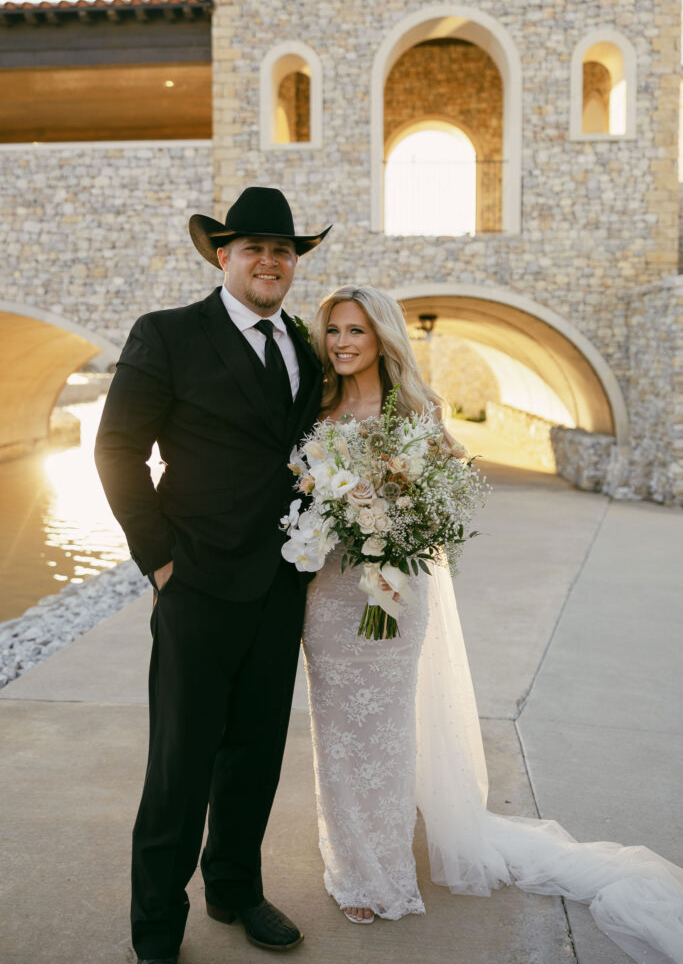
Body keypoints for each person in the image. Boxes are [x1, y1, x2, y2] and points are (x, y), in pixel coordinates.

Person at [300, 285, 683, 962]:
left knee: (387, 732)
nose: (341, 343)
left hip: (395, 594)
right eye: (332, 331)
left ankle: (382, 874)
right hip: (329, 595)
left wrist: (395, 516)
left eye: (354, 330)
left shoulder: (416, 411)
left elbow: (445, 498)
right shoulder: (312, 407)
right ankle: (348, 862)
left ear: (381, 337)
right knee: (335, 733)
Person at [94, 186, 331, 964]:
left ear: (294, 264)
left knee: (255, 753)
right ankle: (157, 923)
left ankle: (234, 888)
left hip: (278, 585)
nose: (270, 260)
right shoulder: (167, 335)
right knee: (180, 762)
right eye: (254, 247)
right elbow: (118, 451)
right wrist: (160, 562)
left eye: (284, 250)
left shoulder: (301, 343)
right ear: (221, 255)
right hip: (194, 582)